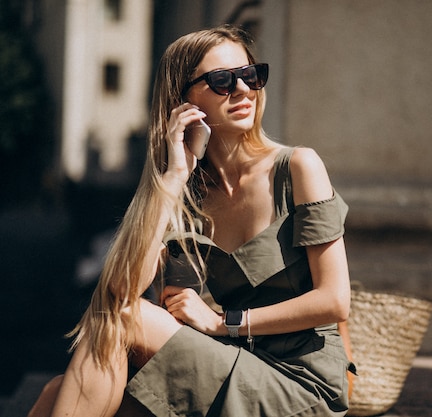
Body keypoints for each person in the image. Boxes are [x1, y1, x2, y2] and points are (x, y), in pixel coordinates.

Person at [29, 24, 353, 417]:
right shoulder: (186, 192)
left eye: (250, 75)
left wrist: (224, 323)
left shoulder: (298, 167)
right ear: (182, 102)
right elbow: (121, 286)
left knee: (123, 320)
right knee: (56, 392)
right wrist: (173, 176)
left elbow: (335, 301)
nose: (242, 90)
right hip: (235, 364)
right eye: (221, 80)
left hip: (300, 384)